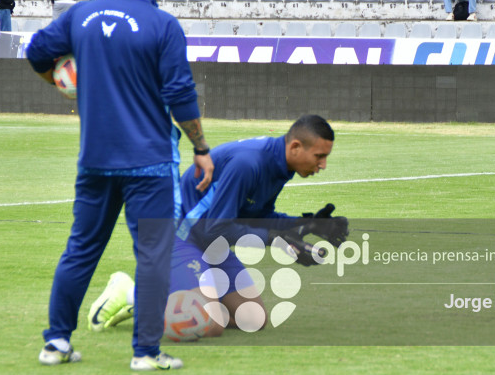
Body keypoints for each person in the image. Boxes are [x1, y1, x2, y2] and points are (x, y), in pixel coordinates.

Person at [26, 0, 215, 371]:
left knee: (81, 249)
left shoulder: (83, 14)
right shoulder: (162, 25)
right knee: (151, 255)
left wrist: (60, 82)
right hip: (148, 161)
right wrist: (200, 147)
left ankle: (55, 343)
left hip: (94, 158)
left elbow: (37, 52)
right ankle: (145, 353)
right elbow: (180, 93)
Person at [86, 115, 348, 337]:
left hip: (210, 241)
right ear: (295, 147)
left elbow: (255, 216)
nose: (323, 165)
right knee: (204, 324)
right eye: (319, 156)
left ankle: (185, 297)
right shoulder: (250, 164)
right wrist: (275, 238)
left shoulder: (279, 165)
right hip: (180, 234)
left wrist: (309, 224)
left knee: (253, 320)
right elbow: (217, 228)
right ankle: (133, 292)